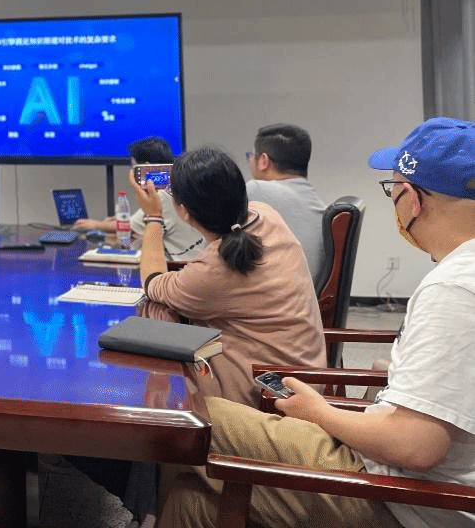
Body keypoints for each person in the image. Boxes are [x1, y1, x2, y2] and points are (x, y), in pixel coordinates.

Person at [159, 116, 475, 528]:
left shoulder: (453, 290)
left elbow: (417, 446)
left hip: (397, 496)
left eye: (392, 189)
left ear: (411, 199)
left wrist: (318, 412)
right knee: (190, 503)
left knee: (184, 413)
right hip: (401, 473)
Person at [136, 145, 326, 406]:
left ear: (184, 212)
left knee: (154, 372)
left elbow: (152, 282)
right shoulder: (266, 215)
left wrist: (153, 216)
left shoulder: (213, 269)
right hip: (305, 378)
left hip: (270, 397)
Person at [73, 136, 206, 260]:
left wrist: (96, 225)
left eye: (134, 167)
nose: (131, 172)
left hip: (179, 266)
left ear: (145, 167)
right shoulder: (180, 184)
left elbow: (130, 227)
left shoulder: (163, 194)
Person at [245, 123, 327, 277]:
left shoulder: (256, 190)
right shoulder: (317, 204)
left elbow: (210, 251)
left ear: (263, 161)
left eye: (251, 156)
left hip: (274, 290)